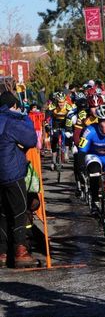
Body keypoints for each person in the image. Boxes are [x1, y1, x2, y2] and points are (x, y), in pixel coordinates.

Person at [0, 91, 38, 268]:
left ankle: (2, 253)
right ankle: (20, 251)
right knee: (18, 211)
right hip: (11, 172)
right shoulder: (12, 121)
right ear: (13, 106)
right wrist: (25, 118)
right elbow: (31, 139)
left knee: (2, 213)